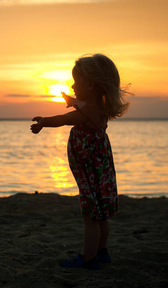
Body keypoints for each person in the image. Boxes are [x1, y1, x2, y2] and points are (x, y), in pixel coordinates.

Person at [30, 53, 130, 270]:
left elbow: (64, 120)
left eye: (76, 81)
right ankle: (102, 252)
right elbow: (81, 105)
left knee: (90, 215)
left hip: (89, 171)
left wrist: (43, 122)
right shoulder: (97, 108)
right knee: (101, 213)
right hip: (98, 171)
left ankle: (89, 258)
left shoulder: (88, 112)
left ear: (91, 85)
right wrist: (72, 101)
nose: (73, 85)